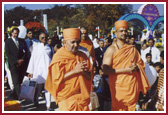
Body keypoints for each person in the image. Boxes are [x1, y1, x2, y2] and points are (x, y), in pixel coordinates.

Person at [102, 20, 150, 111]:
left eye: (125, 30)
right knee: (119, 108)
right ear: (116, 33)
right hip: (118, 86)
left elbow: (141, 64)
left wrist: (136, 66)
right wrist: (125, 70)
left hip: (132, 85)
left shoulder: (132, 48)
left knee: (131, 108)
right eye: (121, 31)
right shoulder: (111, 49)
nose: (124, 33)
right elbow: (105, 69)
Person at [45, 28, 92, 111]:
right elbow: (56, 79)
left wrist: (83, 72)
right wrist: (74, 71)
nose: (76, 45)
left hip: (82, 98)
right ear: (64, 42)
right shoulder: (59, 57)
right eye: (73, 42)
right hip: (66, 98)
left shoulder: (83, 56)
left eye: (78, 42)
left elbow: (89, 77)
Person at [26, 32, 54, 111]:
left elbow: (52, 59)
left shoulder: (49, 47)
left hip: (47, 70)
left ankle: (48, 105)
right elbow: (32, 59)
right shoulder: (36, 47)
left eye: (45, 38)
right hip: (38, 71)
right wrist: (30, 71)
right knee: (37, 88)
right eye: (42, 38)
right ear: (39, 39)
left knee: (47, 88)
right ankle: (36, 101)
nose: (44, 39)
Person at [5, 28, 27, 100]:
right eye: (14, 33)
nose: (15, 35)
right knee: (15, 80)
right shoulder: (8, 42)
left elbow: (25, 51)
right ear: (11, 33)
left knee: (20, 80)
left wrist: (22, 60)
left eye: (17, 33)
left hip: (21, 64)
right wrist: (16, 61)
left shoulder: (21, 41)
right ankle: (18, 96)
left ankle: (14, 93)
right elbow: (8, 54)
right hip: (13, 64)